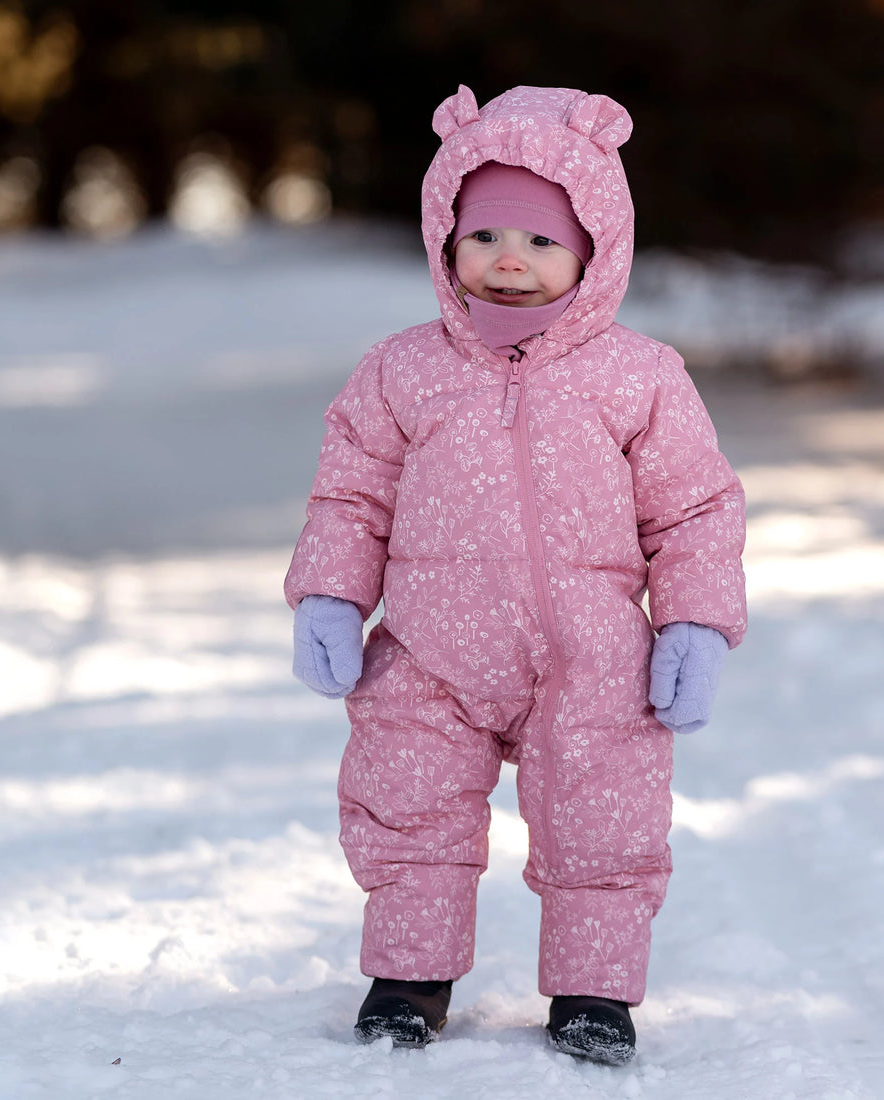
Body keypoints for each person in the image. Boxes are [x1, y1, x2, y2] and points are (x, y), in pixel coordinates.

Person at [285, 85, 746, 1066]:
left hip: (590, 650)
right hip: (427, 644)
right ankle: (409, 976)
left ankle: (594, 989)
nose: (507, 256)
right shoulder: (402, 369)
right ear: (443, 238)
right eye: (483, 231)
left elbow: (693, 510)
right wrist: (329, 594)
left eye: (540, 240)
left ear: (593, 246)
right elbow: (350, 496)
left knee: (605, 813)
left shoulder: (638, 375)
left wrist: (693, 624)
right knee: (404, 801)